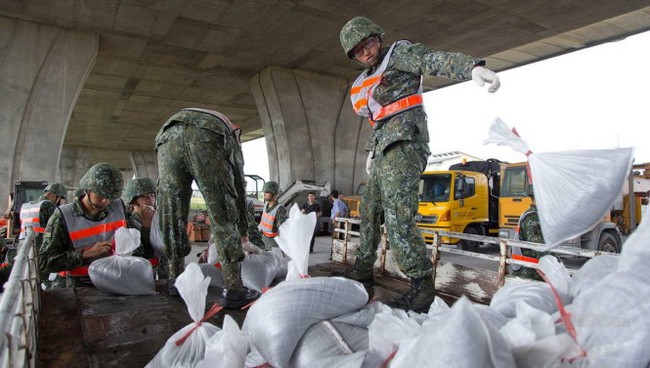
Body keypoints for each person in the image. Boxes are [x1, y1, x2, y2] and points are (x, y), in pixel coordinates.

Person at [338, 16, 501, 312]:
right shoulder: (367, 78)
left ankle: (422, 286)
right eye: (358, 51)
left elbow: (431, 59)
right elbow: (380, 117)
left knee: (399, 215)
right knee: (370, 210)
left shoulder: (398, 54)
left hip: (405, 145)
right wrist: (372, 150)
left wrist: (471, 67)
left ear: (378, 37)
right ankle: (363, 270)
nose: (366, 52)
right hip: (383, 147)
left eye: (369, 43)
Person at [156, 107, 260, 308]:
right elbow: (237, 184)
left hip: (166, 135)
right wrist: (243, 232)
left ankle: (174, 280)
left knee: (171, 210)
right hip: (206, 135)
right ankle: (234, 290)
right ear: (237, 132)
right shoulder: (228, 132)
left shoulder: (193, 119)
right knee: (222, 208)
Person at [39, 163, 153, 288]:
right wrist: (85, 254)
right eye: (101, 196)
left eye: (110, 197)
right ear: (87, 190)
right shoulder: (64, 216)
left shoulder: (119, 208)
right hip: (82, 287)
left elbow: (140, 250)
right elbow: (44, 262)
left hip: (117, 281)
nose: (106, 201)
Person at [13, 183, 68, 288]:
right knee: (41, 284)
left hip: (23, 248)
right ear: (54, 195)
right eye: (60, 198)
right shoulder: (47, 205)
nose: (58, 202)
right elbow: (58, 229)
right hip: (39, 251)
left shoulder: (26, 206)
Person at [122, 177, 168, 279]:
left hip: (164, 272)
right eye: (144, 196)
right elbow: (139, 254)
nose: (150, 199)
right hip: (142, 273)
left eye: (152, 195)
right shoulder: (129, 223)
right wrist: (146, 227)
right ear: (133, 200)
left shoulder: (160, 218)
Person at [512, 186, 546, 280]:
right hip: (530, 273)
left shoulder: (533, 214)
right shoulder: (533, 218)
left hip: (531, 271)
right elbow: (540, 249)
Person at [257, 181, 288, 250]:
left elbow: (283, 230)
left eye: (267, 192)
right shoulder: (265, 205)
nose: (264, 194)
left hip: (274, 244)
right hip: (264, 241)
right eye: (264, 192)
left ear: (274, 194)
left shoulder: (280, 209)